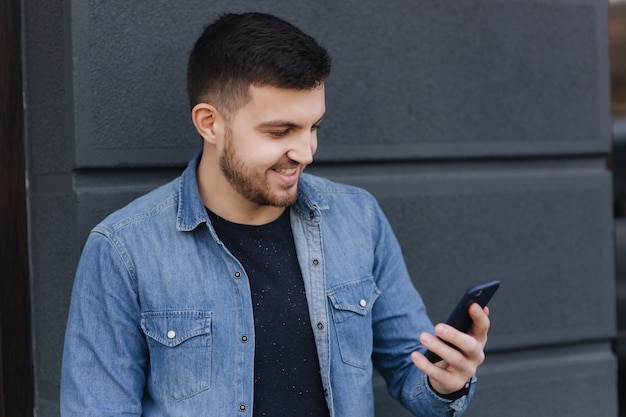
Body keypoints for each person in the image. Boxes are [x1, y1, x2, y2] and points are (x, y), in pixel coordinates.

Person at [60, 12, 490, 417]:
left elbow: (410, 371)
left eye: (313, 127)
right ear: (210, 123)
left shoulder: (359, 218)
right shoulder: (124, 249)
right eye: (280, 131)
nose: (304, 153)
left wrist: (446, 382)